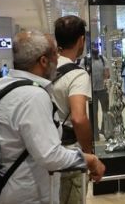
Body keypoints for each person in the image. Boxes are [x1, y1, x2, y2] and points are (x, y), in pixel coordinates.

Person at [0, 30, 105, 203]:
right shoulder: (33, 96)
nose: (58, 58)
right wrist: (90, 159)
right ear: (44, 60)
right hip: (29, 193)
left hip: (4, 185)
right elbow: (50, 156)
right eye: (55, 53)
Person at [52, 15, 93, 204]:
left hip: (46, 149)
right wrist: (88, 154)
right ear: (81, 40)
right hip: (69, 152)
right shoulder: (77, 74)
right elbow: (78, 118)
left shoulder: (45, 67)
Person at [89, 48, 109, 141]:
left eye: (97, 52)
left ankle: (104, 130)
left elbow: (107, 73)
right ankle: (95, 134)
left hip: (102, 90)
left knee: (105, 111)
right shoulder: (86, 60)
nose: (96, 53)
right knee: (94, 113)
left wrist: (106, 74)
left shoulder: (103, 59)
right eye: (94, 52)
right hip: (92, 91)